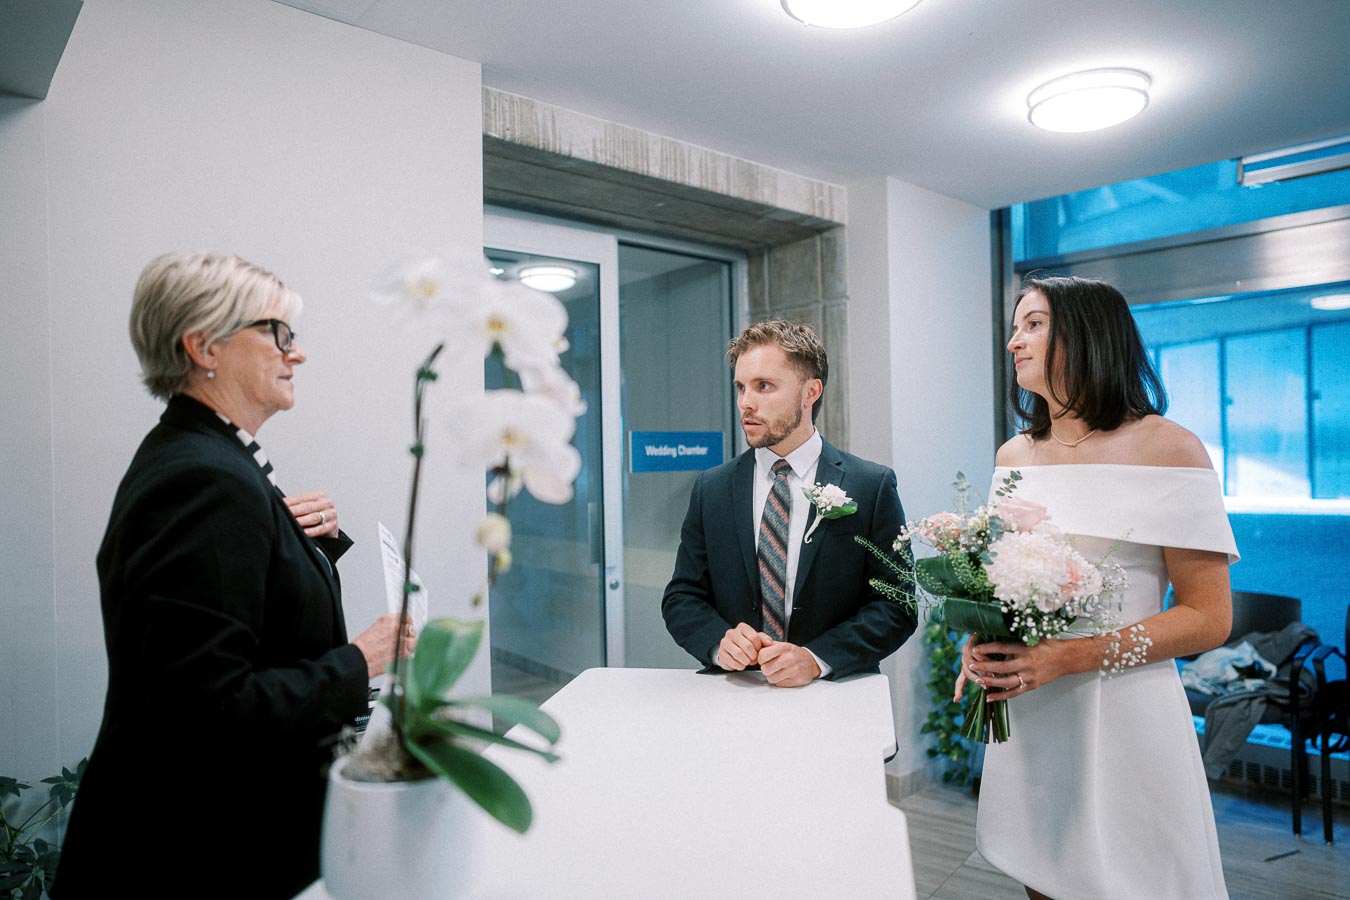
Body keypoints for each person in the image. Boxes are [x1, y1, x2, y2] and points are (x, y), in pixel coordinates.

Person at [53, 252, 413, 899]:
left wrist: (304, 549)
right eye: (279, 333)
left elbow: (232, 617)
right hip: (194, 858)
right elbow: (210, 709)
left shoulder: (210, 460)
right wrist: (363, 660)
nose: (296, 354)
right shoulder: (204, 479)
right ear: (203, 346)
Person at [957, 275, 1237, 899]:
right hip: (1034, 712)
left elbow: (1209, 617)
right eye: (1015, 325)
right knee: (1045, 878)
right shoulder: (1014, 456)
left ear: (1088, 335)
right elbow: (1004, 580)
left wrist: (1073, 656)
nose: (1013, 342)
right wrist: (980, 642)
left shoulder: (1170, 449)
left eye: (1033, 324)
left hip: (1127, 713)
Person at [662, 320, 915, 686]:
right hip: (734, 695)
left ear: (809, 392)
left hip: (833, 697)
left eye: (763, 386)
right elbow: (682, 597)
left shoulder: (871, 486)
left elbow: (898, 604)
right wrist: (719, 642)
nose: (745, 403)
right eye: (741, 387)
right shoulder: (711, 488)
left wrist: (816, 659)